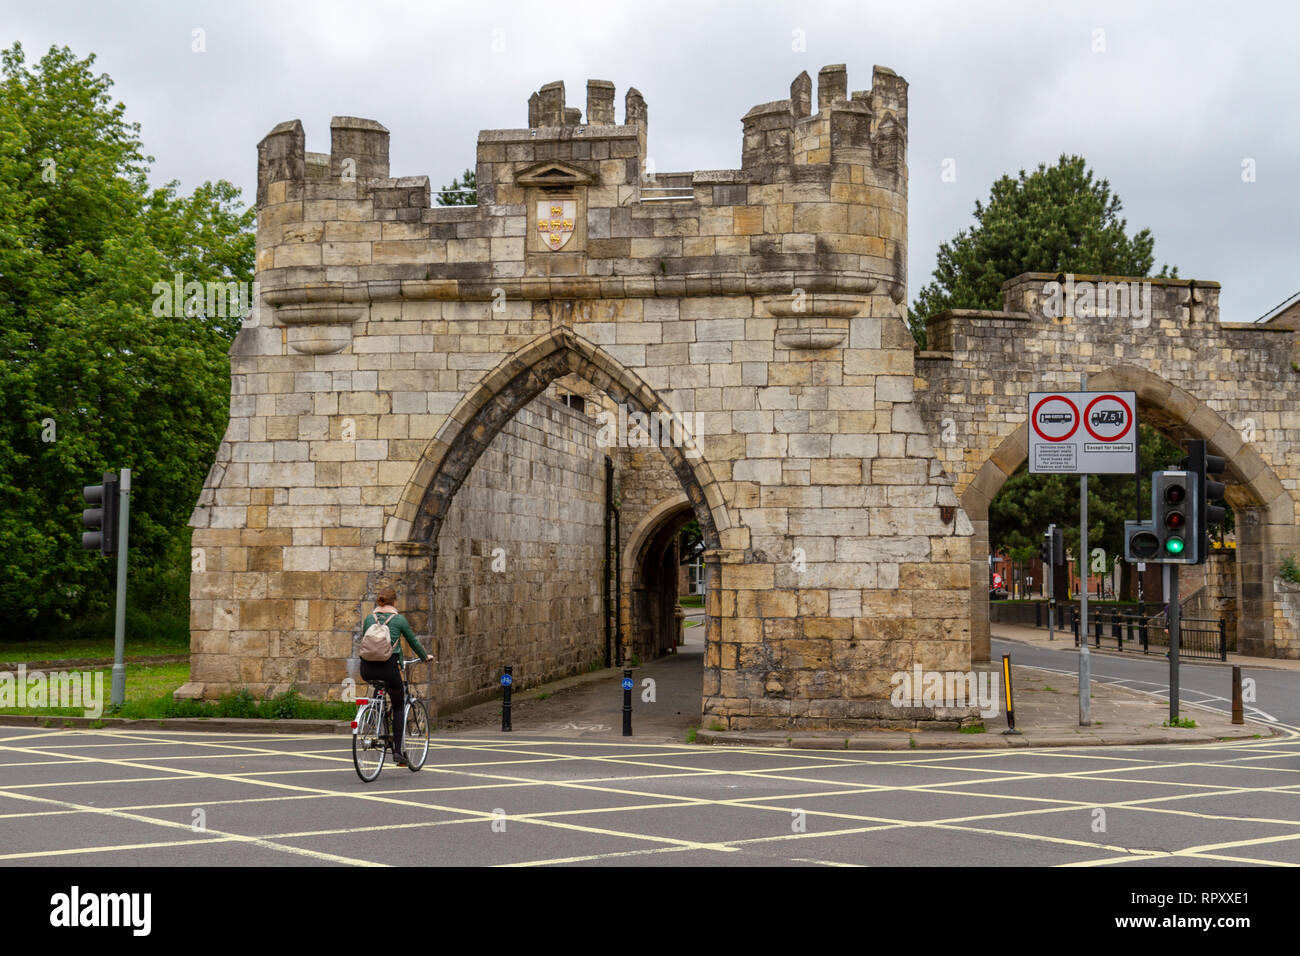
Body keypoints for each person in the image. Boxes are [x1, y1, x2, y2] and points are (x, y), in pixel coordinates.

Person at [360, 588, 429, 767]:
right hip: (389, 668)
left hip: (367, 669)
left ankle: (376, 718)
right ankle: (398, 751)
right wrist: (424, 657)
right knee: (398, 705)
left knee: (379, 687)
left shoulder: (369, 618)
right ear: (395, 602)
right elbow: (413, 642)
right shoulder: (398, 620)